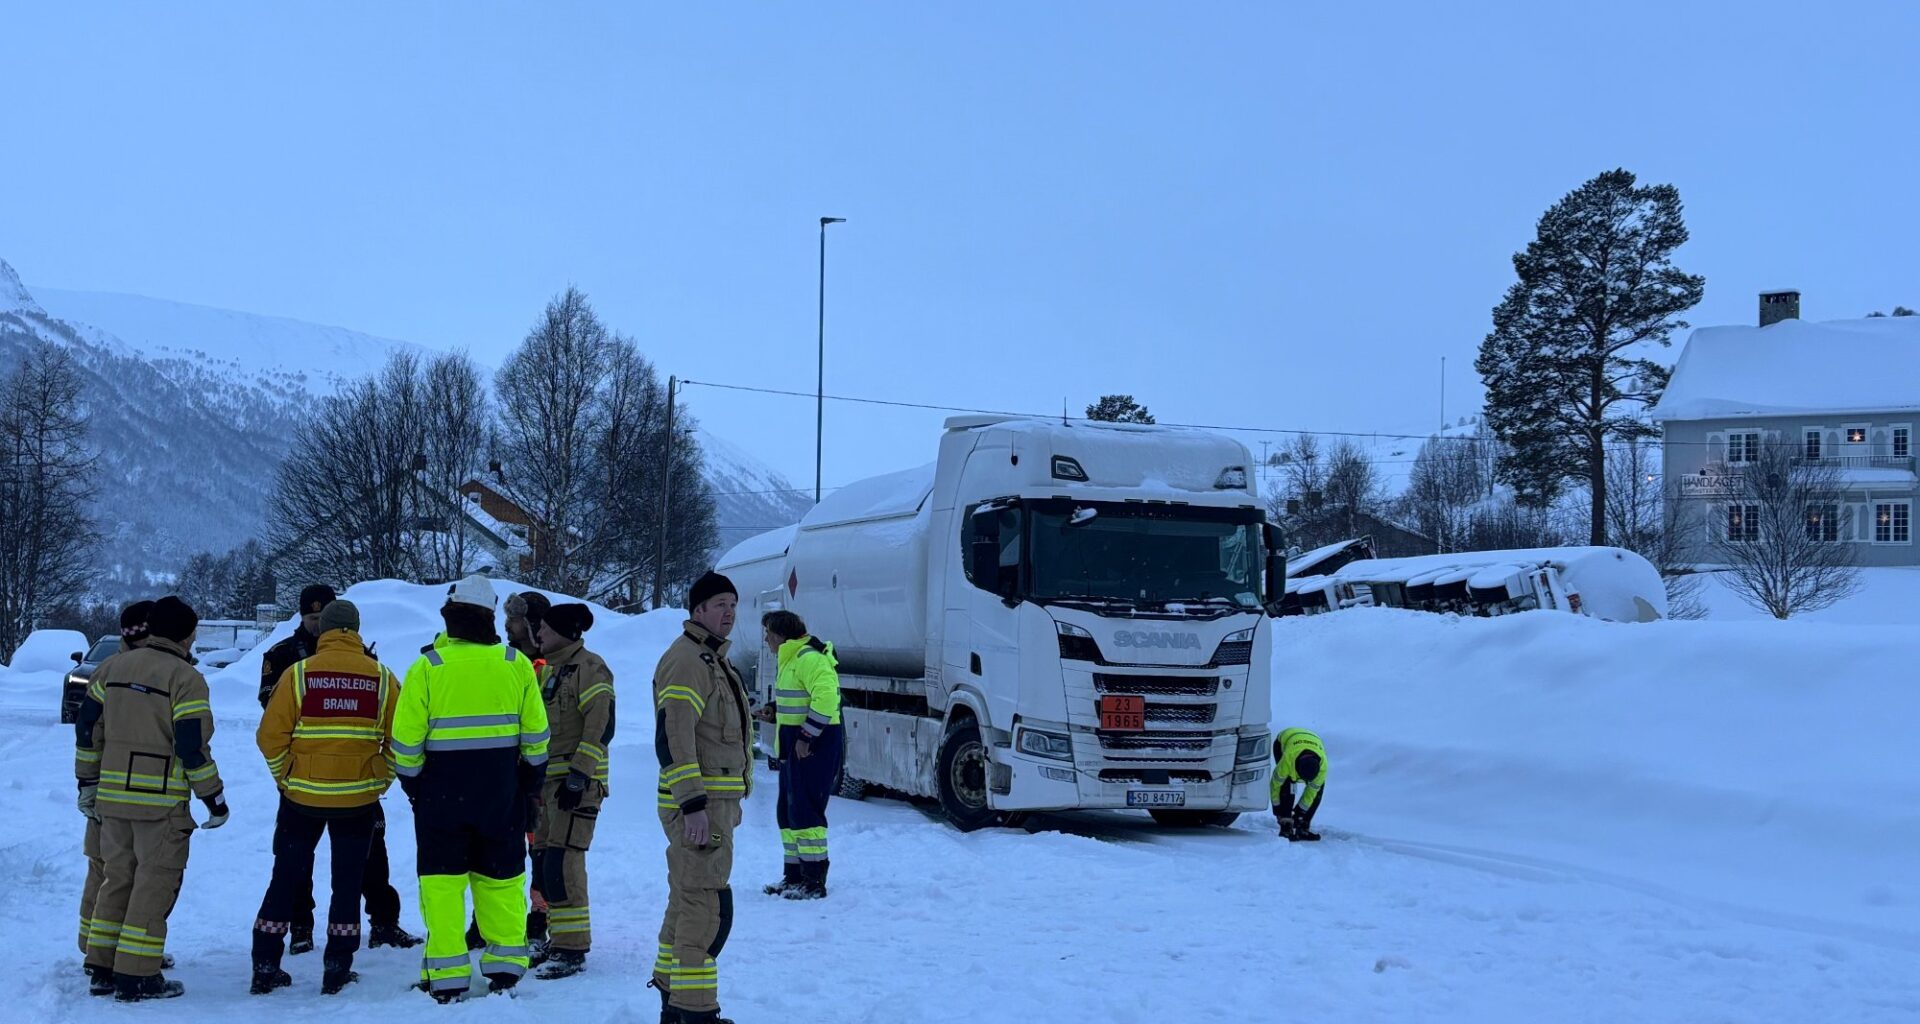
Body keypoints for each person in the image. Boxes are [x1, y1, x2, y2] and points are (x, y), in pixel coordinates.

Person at [391, 575, 549, 1003]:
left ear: (449, 615)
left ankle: (445, 976)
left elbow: (404, 748)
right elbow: (537, 740)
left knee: (442, 886)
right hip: (501, 796)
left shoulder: (428, 667)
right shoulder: (516, 664)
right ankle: (505, 968)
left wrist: (417, 789)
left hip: (440, 799)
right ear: (490, 618)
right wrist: (529, 788)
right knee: (500, 881)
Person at [74, 596, 229, 1001]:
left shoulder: (111, 668)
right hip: (159, 804)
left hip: (110, 799)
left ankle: (102, 965)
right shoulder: (186, 679)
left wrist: (87, 783)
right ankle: (138, 974)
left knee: (117, 878)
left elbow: (87, 729)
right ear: (189, 634)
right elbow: (192, 747)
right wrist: (213, 798)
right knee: (152, 885)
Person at [251, 600, 400, 996]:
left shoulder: (298, 674)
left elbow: (269, 737)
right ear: (356, 630)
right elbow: (402, 739)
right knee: (348, 883)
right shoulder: (382, 677)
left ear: (325, 630)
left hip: (301, 797)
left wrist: (284, 776)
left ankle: (265, 965)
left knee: (285, 878)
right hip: (357, 801)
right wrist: (379, 777)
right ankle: (337, 967)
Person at [651, 571, 753, 1024]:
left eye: (733, 604)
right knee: (705, 906)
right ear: (697, 612)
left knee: (687, 900)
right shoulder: (689, 660)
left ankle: (673, 1005)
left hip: (714, 807)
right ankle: (696, 1013)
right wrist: (692, 805)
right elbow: (673, 735)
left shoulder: (711, 658)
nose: (728, 612)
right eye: (718, 605)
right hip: (698, 807)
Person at [527, 602, 613, 980]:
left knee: (565, 863)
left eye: (544, 628)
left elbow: (601, 724)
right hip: (550, 788)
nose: (538, 635)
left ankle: (572, 949)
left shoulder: (590, 667)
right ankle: (559, 939)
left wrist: (580, 775)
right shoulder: (552, 672)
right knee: (548, 864)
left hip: (576, 786)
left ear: (563, 631)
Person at [75, 600, 154, 972]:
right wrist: (88, 783)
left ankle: (98, 948)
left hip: (106, 789)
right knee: (116, 870)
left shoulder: (112, 668)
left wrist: (88, 783)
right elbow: (89, 732)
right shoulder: (120, 671)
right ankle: (105, 952)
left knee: (105, 868)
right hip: (117, 791)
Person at [755, 610, 842, 900]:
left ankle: (814, 881)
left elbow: (827, 698)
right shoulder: (791, 658)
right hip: (794, 745)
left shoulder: (810, 658)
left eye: (768, 632)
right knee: (788, 813)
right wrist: (774, 710)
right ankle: (793, 877)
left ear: (780, 634)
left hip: (814, 746)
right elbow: (799, 699)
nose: (766, 639)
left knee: (807, 812)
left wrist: (807, 735)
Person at [1271, 728, 1327, 841]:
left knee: (1317, 791)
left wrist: (1300, 812)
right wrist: (1277, 807)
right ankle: (1286, 826)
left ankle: (1303, 826)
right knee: (1287, 784)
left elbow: (1311, 792)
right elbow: (1275, 785)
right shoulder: (1288, 760)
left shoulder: (1323, 767)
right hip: (1284, 741)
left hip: (1308, 740)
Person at [504, 591, 551, 661]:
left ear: (532, 625)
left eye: (513, 620)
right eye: (508, 618)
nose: (507, 625)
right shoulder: (510, 654)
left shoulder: (553, 661)